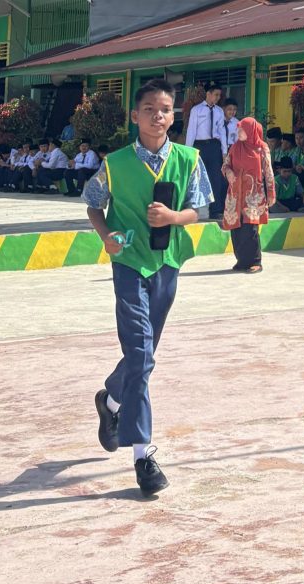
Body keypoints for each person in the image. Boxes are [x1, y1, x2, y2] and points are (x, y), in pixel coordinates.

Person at [84, 79, 214, 498]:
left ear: (173, 116)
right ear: (135, 116)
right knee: (141, 353)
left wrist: (174, 218)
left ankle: (112, 402)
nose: (158, 116)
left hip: (167, 263)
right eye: (149, 109)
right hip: (128, 262)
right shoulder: (115, 163)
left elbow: (199, 209)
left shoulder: (190, 159)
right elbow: (93, 203)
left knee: (144, 353)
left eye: (165, 110)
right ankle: (143, 456)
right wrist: (105, 236)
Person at [221, 117, 274, 274]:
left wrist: (271, 193)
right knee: (236, 229)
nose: (238, 132)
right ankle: (242, 261)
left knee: (250, 229)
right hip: (235, 194)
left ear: (251, 131)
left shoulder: (261, 148)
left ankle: (255, 261)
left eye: (242, 130)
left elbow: (268, 171)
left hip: (253, 195)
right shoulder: (235, 147)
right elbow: (225, 165)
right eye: (238, 129)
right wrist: (229, 173)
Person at [185, 84, 229, 219]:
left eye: (219, 95)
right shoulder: (197, 110)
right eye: (216, 94)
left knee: (216, 178)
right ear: (208, 94)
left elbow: (222, 131)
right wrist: (188, 151)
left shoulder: (219, 111)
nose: (218, 97)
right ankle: (192, 208)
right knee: (196, 177)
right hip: (200, 146)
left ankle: (215, 210)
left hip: (214, 146)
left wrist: (224, 151)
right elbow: (191, 130)